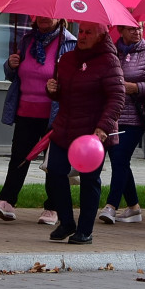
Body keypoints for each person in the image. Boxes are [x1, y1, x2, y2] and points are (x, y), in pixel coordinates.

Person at [0, 16, 75, 225]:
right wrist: (10, 64)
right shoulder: (27, 40)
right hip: (26, 109)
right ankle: (7, 201)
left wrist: (60, 81)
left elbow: (74, 80)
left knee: (52, 163)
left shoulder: (68, 42)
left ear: (60, 17)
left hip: (53, 113)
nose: (43, 18)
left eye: (49, 14)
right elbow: (13, 76)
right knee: (19, 157)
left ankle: (52, 208)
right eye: (39, 14)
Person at [44, 22, 124, 245]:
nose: (83, 36)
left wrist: (103, 128)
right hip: (65, 127)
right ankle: (67, 222)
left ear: (101, 36)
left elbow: (117, 98)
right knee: (54, 174)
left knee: (89, 180)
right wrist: (53, 90)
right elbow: (65, 93)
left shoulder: (110, 62)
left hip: (93, 132)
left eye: (89, 32)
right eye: (81, 31)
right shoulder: (68, 59)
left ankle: (85, 230)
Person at [99, 22, 145, 225]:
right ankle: (134, 208)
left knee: (119, 158)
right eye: (132, 29)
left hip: (135, 117)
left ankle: (111, 206)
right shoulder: (111, 51)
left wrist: (137, 87)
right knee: (120, 161)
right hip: (112, 117)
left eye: (140, 28)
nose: (137, 32)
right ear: (120, 31)